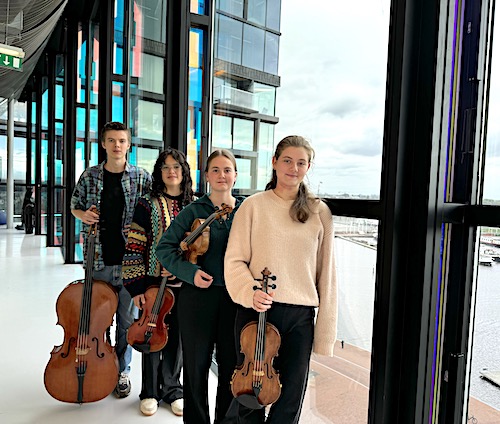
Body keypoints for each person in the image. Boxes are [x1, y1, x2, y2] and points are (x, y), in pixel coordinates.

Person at [223, 135, 337, 424]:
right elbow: (234, 260)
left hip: (300, 317)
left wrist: (325, 335)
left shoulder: (319, 212)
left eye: (301, 163)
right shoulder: (253, 206)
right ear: (274, 162)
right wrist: (250, 292)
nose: (293, 168)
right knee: (249, 399)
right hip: (256, 310)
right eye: (287, 160)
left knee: (290, 400)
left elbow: (327, 276)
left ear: (308, 167)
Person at [156, 149, 244, 424]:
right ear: (206, 175)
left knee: (231, 366)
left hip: (235, 299)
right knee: (196, 366)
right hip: (197, 298)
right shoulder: (193, 210)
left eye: (227, 170)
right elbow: (164, 249)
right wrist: (190, 273)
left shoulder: (246, 210)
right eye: (215, 170)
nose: (221, 175)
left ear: (235, 175)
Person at [70, 121, 152, 398]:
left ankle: (122, 372)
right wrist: (83, 215)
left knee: (127, 323)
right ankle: (100, 366)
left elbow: (153, 211)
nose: (117, 145)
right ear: (103, 144)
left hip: (131, 264)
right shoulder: (90, 175)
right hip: (99, 261)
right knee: (98, 320)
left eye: (122, 140)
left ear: (129, 145)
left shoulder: (141, 177)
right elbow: (74, 205)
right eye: (112, 140)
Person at [122, 148, 194, 416]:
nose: (171, 171)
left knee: (177, 338)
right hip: (153, 283)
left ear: (184, 171)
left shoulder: (194, 205)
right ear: (159, 172)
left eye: (176, 167)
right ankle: (150, 391)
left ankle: (173, 389)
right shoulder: (146, 204)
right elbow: (134, 245)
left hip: (184, 285)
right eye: (166, 167)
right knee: (150, 335)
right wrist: (136, 287)